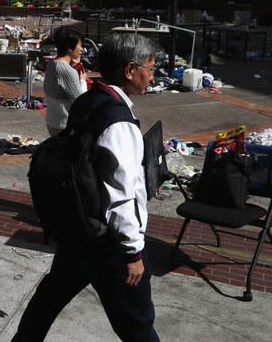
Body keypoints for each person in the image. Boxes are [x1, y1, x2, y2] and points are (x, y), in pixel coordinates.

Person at [12, 32, 161, 342]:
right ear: (130, 70)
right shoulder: (118, 120)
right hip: (108, 242)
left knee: (51, 295)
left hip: (78, 226)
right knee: (138, 324)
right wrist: (133, 252)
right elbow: (121, 194)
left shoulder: (89, 99)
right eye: (150, 67)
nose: (153, 74)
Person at [43, 26, 88, 137]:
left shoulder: (51, 64)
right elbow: (80, 103)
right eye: (80, 45)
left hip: (52, 122)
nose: (82, 49)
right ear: (69, 48)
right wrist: (83, 81)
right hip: (65, 127)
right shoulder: (68, 71)